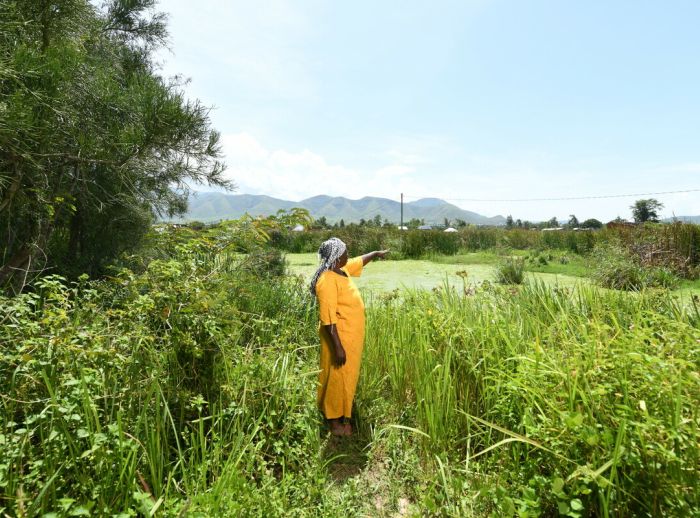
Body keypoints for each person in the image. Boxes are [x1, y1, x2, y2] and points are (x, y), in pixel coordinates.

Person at [310, 237, 389, 436]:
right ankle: (335, 423)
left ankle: (339, 412)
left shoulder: (341, 270)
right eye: (345, 252)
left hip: (349, 337)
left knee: (344, 377)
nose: (348, 255)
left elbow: (359, 261)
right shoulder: (327, 280)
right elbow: (328, 319)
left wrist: (375, 254)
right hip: (339, 338)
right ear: (337, 257)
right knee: (338, 378)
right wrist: (337, 347)